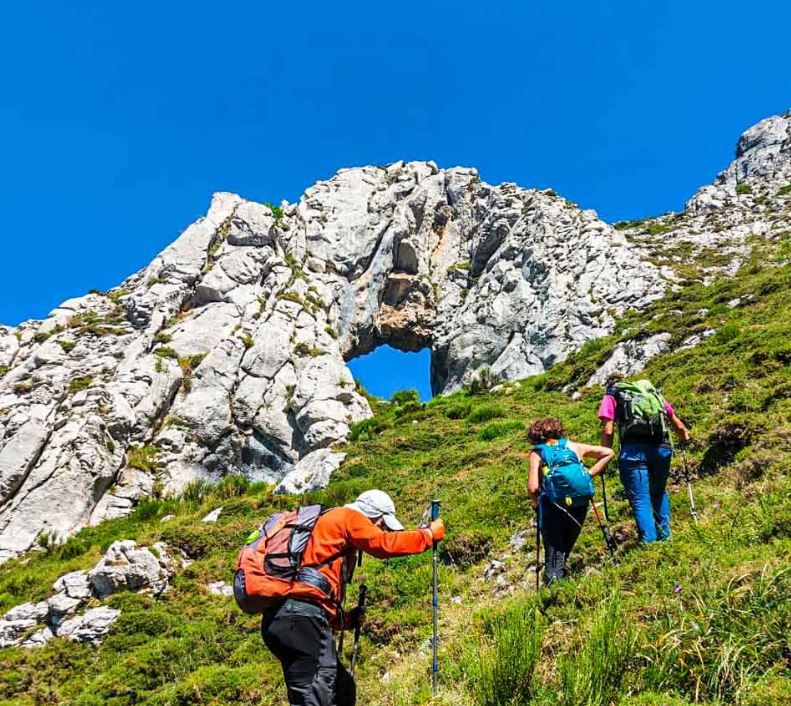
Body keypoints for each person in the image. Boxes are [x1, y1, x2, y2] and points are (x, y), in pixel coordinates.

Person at [260, 489, 445, 706]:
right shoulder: (348, 517)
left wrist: (346, 620)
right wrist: (428, 535)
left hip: (287, 620)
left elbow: (312, 589)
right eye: (382, 525)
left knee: (341, 689)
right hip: (300, 619)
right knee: (316, 695)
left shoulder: (325, 527)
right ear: (375, 517)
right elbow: (383, 544)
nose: (382, 530)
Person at [598, 374, 690, 543]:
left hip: (633, 452)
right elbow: (676, 423)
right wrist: (684, 439)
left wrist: (604, 457)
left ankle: (649, 543)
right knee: (659, 492)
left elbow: (608, 430)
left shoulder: (612, 394)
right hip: (661, 448)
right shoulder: (650, 392)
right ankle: (666, 537)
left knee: (640, 498)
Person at [527, 418, 614, 585]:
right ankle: (560, 579)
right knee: (566, 543)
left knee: (554, 547)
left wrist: (535, 505)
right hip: (580, 502)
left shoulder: (537, 453)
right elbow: (608, 452)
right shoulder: (574, 447)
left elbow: (533, 488)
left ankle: (554, 588)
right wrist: (589, 473)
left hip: (552, 505)